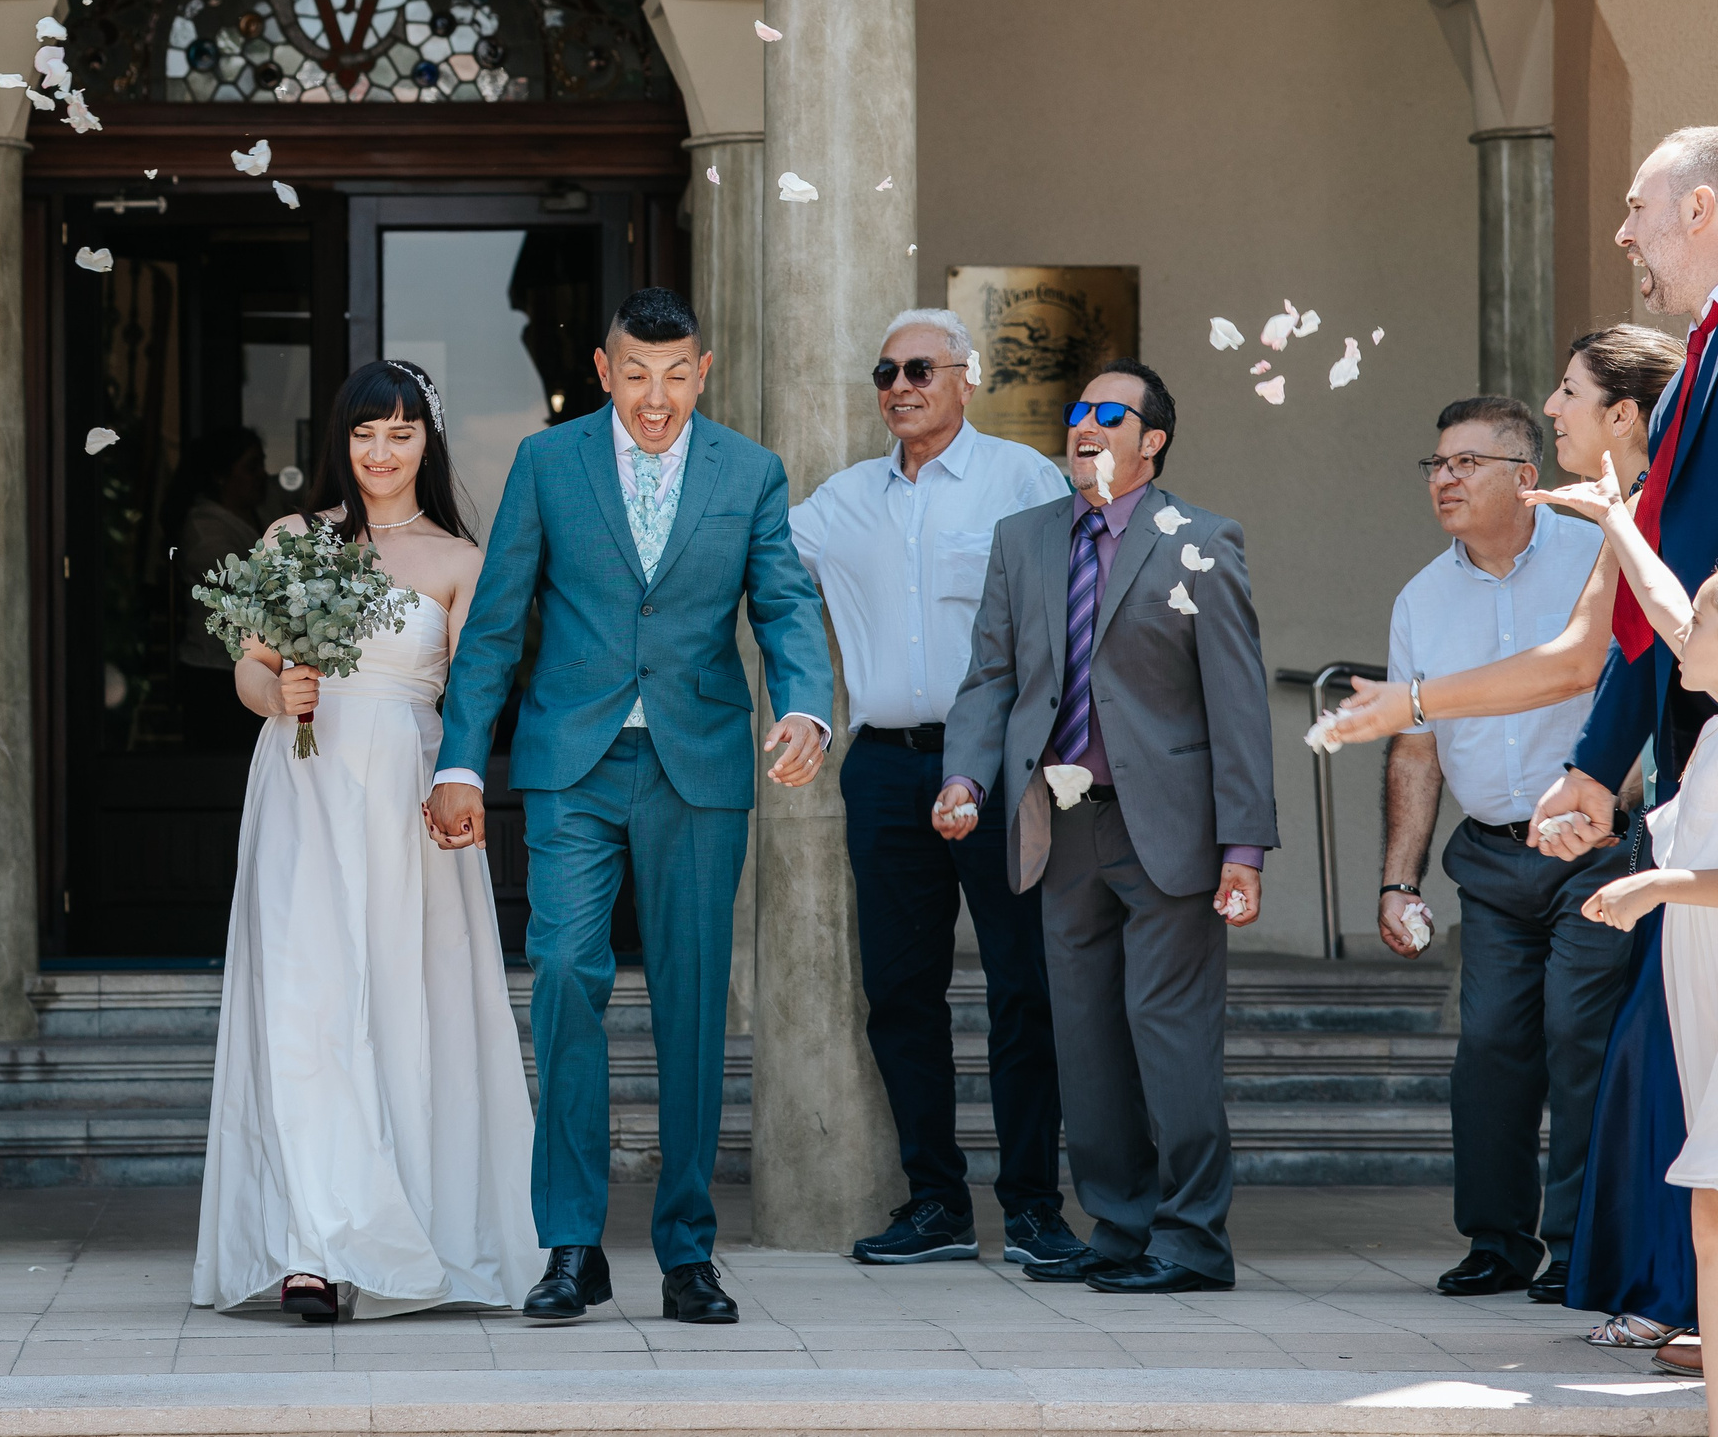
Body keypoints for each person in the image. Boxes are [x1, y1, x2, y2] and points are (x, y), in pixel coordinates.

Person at [425, 287, 833, 1326]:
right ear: (605, 372)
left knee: (692, 1005)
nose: (657, 398)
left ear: (704, 371)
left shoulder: (749, 471)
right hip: (574, 762)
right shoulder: (547, 464)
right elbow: (494, 626)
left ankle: (687, 1251)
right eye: (636, 375)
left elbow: (784, 602)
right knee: (564, 973)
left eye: (677, 375)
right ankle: (570, 1245)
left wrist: (806, 710)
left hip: (697, 767)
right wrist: (461, 763)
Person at [192, 361, 537, 1323]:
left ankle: (404, 1225)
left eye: (400, 433)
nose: (379, 454)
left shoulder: (461, 560)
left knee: (398, 998)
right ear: (338, 445)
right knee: (303, 999)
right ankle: (310, 1242)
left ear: (428, 441)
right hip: (301, 783)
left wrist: (457, 784)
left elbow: (475, 697)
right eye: (362, 435)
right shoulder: (292, 539)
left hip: (402, 788)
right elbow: (249, 672)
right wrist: (280, 692)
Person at [937, 359, 1275, 1295]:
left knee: (1168, 1033)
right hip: (1062, 825)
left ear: (1151, 439)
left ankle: (1193, 1240)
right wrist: (963, 772)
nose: (1083, 425)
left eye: (1107, 413)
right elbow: (992, 678)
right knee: (1083, 1039)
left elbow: (1238, 703)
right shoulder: (1024, 539)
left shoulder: (1202, 539)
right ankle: (1120, 1228)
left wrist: (1243, 847)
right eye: (1076, 410)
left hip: (1169, 826)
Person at [786, 308, 1081, 1269]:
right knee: (900, 992)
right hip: (881, 766)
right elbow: (758, 571)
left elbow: (1071, 621)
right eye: (885, 372)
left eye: (920, 367)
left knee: (1021, 986)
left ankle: (1035, 1205)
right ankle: (936, 1202)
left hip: (998, 766)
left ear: (967, 376)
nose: (900, 386)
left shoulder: (1024, 481)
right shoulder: (840, 501)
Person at [1373, 396, 1629, 1301]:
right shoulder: (1420, 597)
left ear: (1526, 479)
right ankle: (1497, 1237)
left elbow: (1624, 692)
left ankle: (1578, 1240)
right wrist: (1397, 878)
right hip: (1487, 856)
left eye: (1465, 463)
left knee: (1578, 1033)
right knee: (1487, 1043)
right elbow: (1416, 745)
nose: (1444, 478)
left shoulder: (1595, 558)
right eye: (1436, 464)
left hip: (1595, 849)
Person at [1525, 445, 1718, 1436]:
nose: (1679, 634)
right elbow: (1670, 607)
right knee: (1708, 1200)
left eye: (1703, 625)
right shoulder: (1715, 712)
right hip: (1695, 979)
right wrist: (1614, 522)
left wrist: (1650, 885)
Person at [169, 426, 270, 752]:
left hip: (254, 666)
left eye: (261, 465)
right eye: (251, 467)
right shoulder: (204, 528)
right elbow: (240, 588)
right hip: (214, 671)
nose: (261, 475)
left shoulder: (258, 516)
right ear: (221, 476)